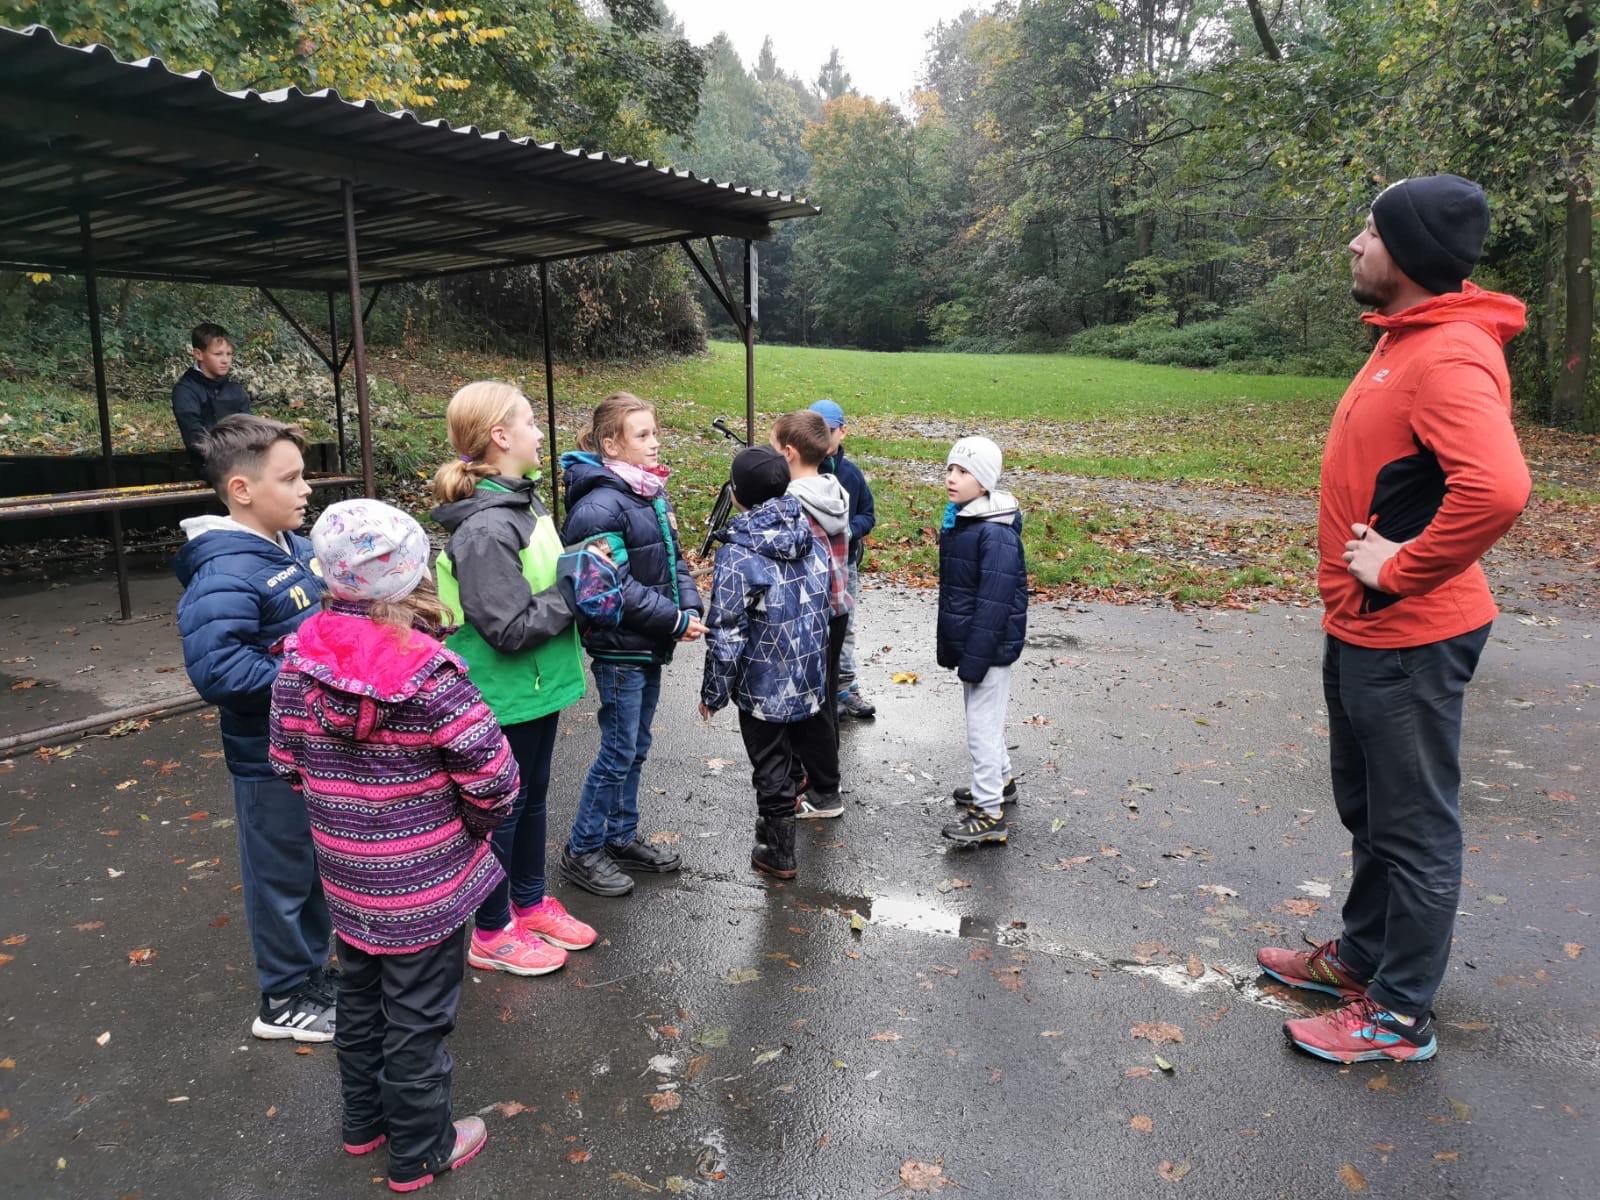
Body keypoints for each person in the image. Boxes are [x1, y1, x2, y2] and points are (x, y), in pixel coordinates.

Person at [1261, 174, 1531, 1065]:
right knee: (1369, 810)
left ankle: (1399, 1013)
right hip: (1365, 627)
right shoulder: (1401, 341)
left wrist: (1403, 569)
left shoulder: (1448, 352)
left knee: (1413, 829)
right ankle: (1366, 958)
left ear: (1407, 253)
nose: (1353, 244)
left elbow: (1497, 488)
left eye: (1369, 231)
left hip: (1413, 633)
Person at [269, 499, 508, 1192]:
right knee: (418, 1018)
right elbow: (493, 778)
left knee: (361, 999)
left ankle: (362, 1124)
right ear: (411, 581)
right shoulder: (432, 679)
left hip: (347, 881)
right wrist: (473, 829)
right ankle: (421, 1149)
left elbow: (285, 764)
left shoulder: (295, 666)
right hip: (426, 891)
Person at [430, 382, 599, 975]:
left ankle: (526, 902)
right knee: (501, 808)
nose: (538, 430)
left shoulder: (523, 506)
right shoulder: (485, 529)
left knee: (530, 801)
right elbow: (506, 625)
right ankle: (491, 927)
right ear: (500, 437)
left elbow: (541, 579)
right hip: (504, 695)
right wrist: (577, 591)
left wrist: (583, 562)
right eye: (528, 421)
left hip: (537, 688)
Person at [174, 413, 334, 1041]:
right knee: (281, 879)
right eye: (290, 479)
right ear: (242, 489)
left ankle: (313, 975)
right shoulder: (225, 569)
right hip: (266, 759)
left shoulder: (292, 548)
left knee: (313, 867)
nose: (306, 490)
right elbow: (217, 670)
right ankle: (283, 998)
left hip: (310, 749)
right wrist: (320, 678)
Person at [559, 392, 705, 897]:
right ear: (610, 444)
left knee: (636, 746)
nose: (654, 443)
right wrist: (674, 621)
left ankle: (619, 835)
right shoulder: (598, 505)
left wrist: (691, 609)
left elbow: (675, 560)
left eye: (654, 432)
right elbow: (613, 586)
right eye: (642, 435)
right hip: (620, 647)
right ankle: (582, 848)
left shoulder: (648, 493)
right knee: (618, 750)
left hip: (647, 643)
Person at [699, 446, 835, 879]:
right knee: (791, 751)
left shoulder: (738, 555)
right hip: (809, 673)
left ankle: (779, 851)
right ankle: (780, 819)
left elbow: (726, 630)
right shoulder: (810, 534)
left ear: (737, 493)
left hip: (764, 682)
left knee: (770, 762)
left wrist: (713, 693)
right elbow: (825, 600)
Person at [936, 436, 1028, 846]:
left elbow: (994, 603)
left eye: (964, 472)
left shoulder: (996, 535)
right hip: (976, 644)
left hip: (987, 648)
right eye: (951, 469)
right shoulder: (967, 519)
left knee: (981, 730)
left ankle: (989, 813)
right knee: (984, 722)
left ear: (985, 481)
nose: (952, 478)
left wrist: (975, 657)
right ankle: (1001, 782)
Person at [769, 410, 851, 820]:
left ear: (787, 453)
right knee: (825, 693)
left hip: (810, 614)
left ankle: (825, 792)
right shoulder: (832, 490)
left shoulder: (792, 504)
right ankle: (818, 777)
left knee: (810, 702)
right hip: (837, 610)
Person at [810, 399, 878, 720]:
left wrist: (851, 530)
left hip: (844, 565)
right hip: (808, 566)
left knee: (845, 626)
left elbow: (868, 514)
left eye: (829, 431)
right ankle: (816, 690)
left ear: (843, 431)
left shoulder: (851, 474)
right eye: (815, 431)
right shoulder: (800, 471)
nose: (822, 438)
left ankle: (845, 688)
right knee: (812, 625)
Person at [172, 322, 253, 476]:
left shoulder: (235, 389)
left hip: (245, 464)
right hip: (210, 468)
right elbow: (195, 438)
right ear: (198, 354)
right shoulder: (185, 391)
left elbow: (251, 429)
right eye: (218, 354)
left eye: (229, 354)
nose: (225, 360)